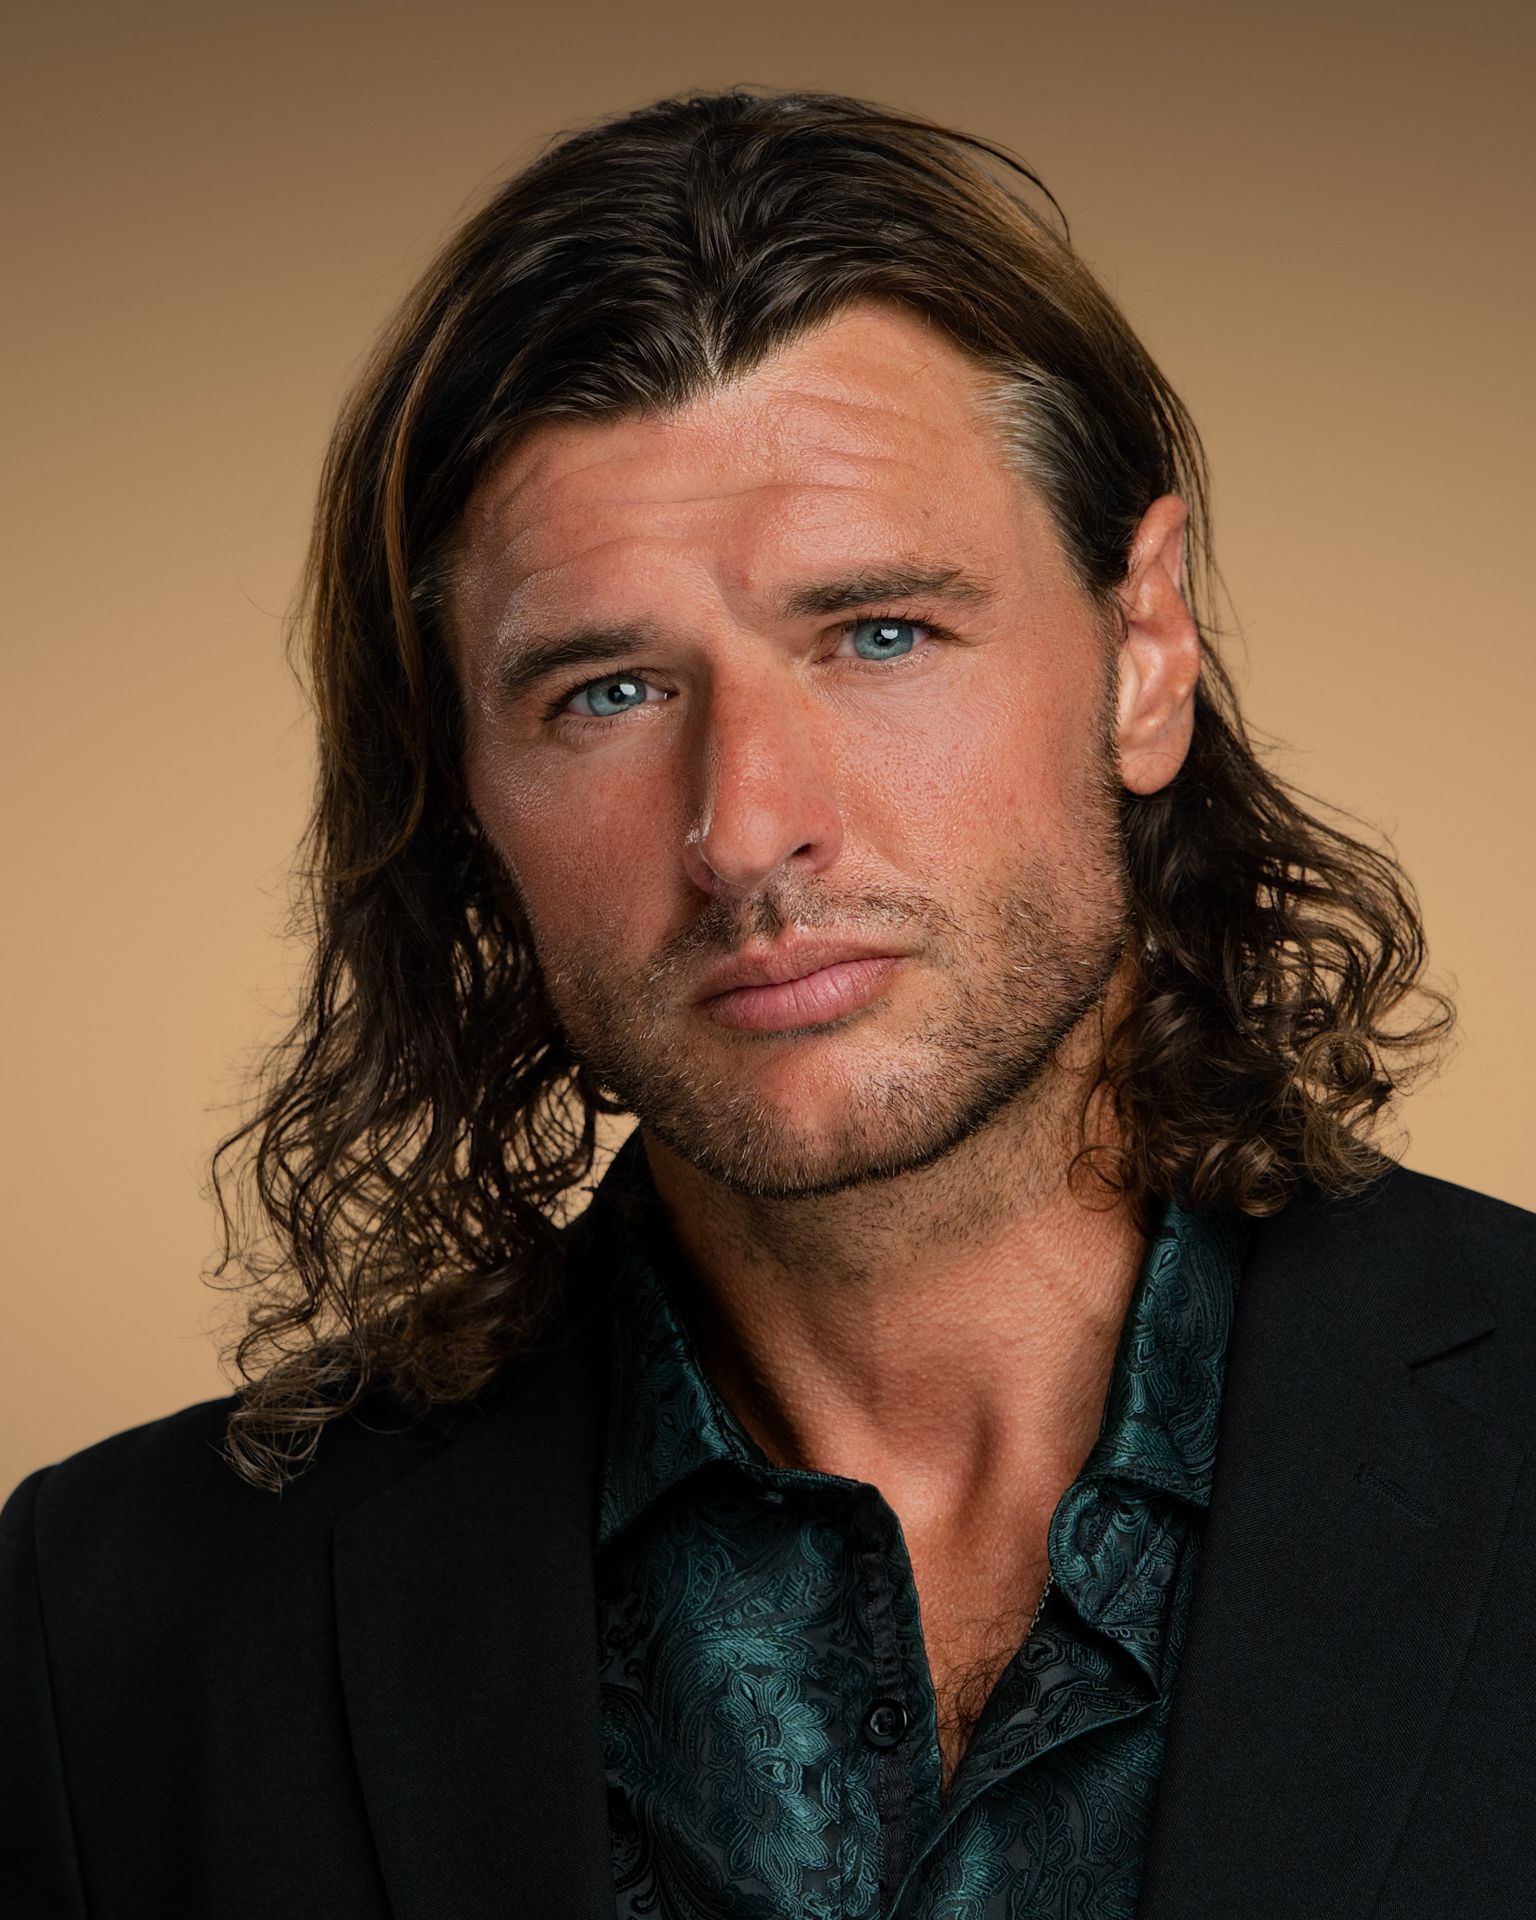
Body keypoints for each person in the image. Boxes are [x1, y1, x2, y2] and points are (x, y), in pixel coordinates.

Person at [3, 86, 1532, 1920]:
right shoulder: (113, 1630)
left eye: (880, 634)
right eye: (605, 693)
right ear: (464, 791)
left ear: (1144, 651)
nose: (744, 831)